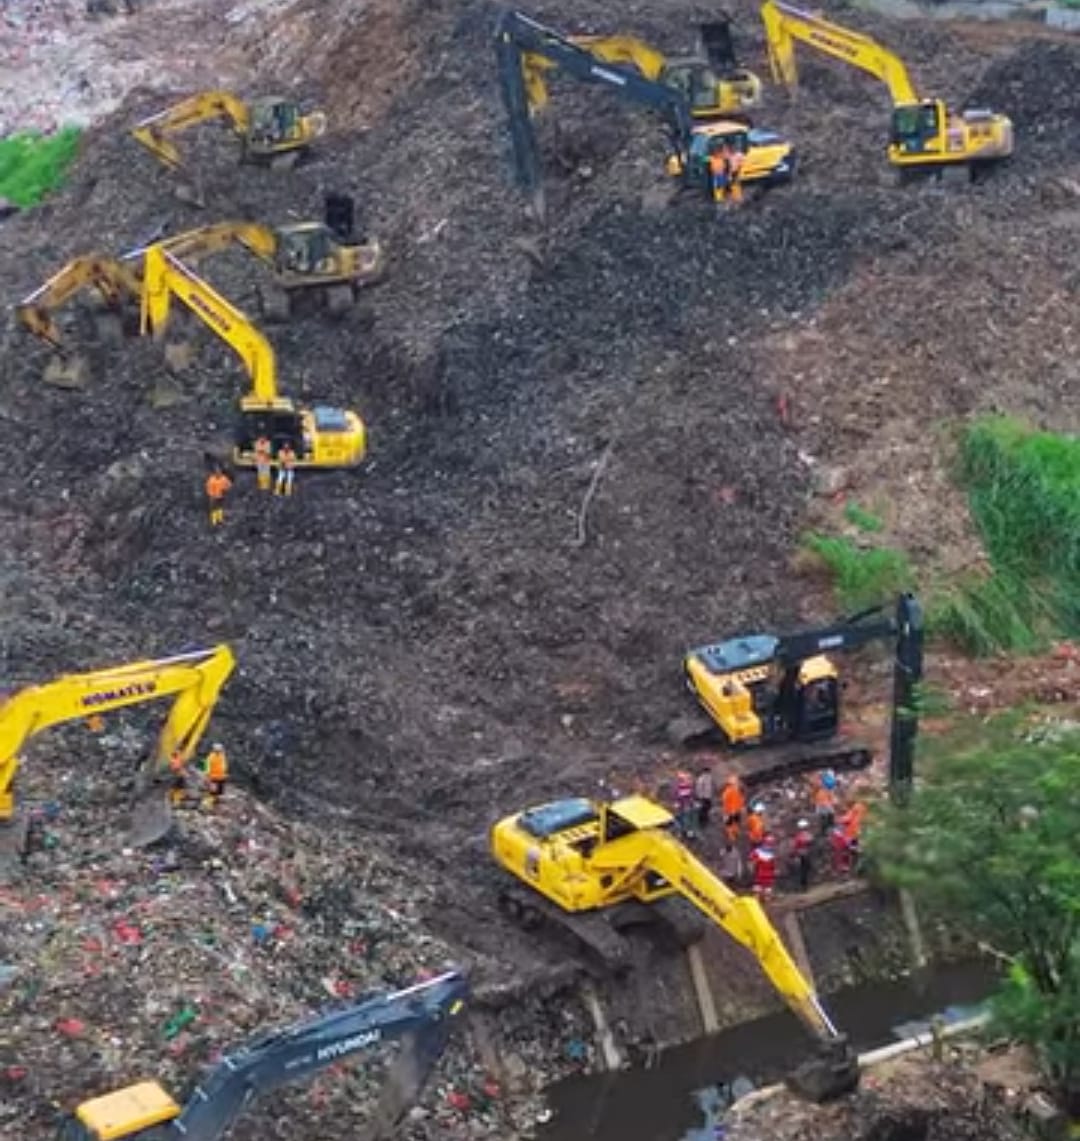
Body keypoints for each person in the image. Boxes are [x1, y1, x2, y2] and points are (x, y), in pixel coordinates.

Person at [749, 834, 777, 899]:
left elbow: (773, 864)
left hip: (768, 874)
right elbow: (751, 861)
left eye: (771, 843)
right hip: (760, 873)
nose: (770, 845)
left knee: (767, 891)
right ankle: (758, 898)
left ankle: (765, 898)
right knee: (758, 891)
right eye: (769, 843)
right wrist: (752, 867)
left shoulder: (772, 854)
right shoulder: (757, 852)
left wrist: (774, 870)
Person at [791, 818, 815, 892]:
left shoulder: (802, 835)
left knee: (804, 870)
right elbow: (797, 845)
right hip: (803, 854)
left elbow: (796, 845)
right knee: (803, 870)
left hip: (804, 854)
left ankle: (803, 885)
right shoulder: (803, 835)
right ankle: (803, 886)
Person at [202, 742, 228, 807]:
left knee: (219, 791)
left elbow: (224, 766)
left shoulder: (222, 756)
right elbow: (207, 768)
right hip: (213, 777)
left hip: (221, 777)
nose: (220, 751)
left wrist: (224, 774)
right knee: (212, 792)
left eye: (220, 749)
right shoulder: (211, 757)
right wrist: (207, 776)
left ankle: (215, 802)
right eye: (218, 750)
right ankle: (207, 805)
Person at [721, 773, 745, 844]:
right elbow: (726, 802)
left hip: (736, 810)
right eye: (736, 783)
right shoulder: (728, 792)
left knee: (736, 821)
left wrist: (741, 807)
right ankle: (731, 834)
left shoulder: (736, 791)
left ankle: (735, 830)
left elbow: (740, 799)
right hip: (729, 811)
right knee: (729, 823)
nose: (738, 784)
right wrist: (731, 810)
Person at [674, 770, 697, 839]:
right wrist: (677, 802)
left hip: (686, 805)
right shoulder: (679, 787)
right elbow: (677, 796)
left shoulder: (688, 787)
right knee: (683, 818)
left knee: (686, 818)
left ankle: (686, 832)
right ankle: (683, 831)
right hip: (683, 806)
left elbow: (691, 796)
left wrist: (693, 802)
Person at [814, 769, 838, 836]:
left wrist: (833, 801)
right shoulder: (819, 786)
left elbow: (831, 795)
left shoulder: (827, 787)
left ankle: (830, 827)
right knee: (823, 817)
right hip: (821, 804)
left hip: (825, 804)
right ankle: (824, 831)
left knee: (829, 815)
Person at [694, 766, 715, 832]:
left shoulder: (708, 779)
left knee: (706, 808)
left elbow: (711, 787)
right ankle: (701, 822)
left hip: (706, 797)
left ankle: (704, 820)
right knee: (703, 809)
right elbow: (699, 788)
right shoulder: (702, 779)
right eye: (708, 772)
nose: (708, 773)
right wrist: (700, 797)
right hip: (704, 797)